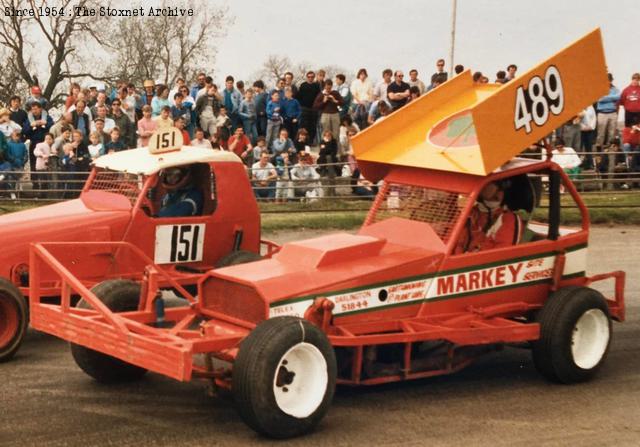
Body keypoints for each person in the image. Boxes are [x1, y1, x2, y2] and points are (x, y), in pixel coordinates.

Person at [455, 180, 523, 253]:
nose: (499, 193)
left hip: (478, 262)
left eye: (501, 190)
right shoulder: (468, 213)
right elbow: (452, 240)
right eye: (497, 189)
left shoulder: (508, 219)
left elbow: (502, 253)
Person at [595, 73, 621, 149]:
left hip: (613, 112)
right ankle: (599, 149)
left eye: (609, 80)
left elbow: (618, 97)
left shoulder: (615, 89)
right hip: (602, 113)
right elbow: (599, 99)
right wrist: (612, 98)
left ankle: (610, 148)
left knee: (612, 132)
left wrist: (605, 97)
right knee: (601, 133)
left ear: (611, 80)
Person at [296, 71, 321, 143]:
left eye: (312, 77)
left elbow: (319, 97)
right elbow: (299, 96)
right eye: (309, 77)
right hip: (304, 108)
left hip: (314, 109)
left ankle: (311, 141)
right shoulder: (303, 85)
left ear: (314, 77)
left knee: (313, 126)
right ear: (307, 77)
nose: (310, 78)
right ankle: (304, 141)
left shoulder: (316, 85)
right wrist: (301, 106)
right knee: (304, 126)